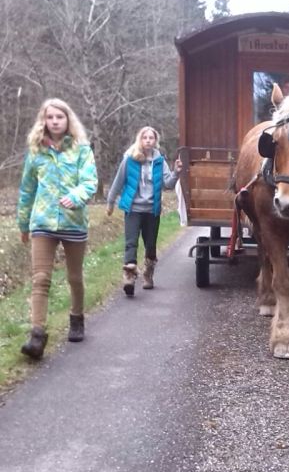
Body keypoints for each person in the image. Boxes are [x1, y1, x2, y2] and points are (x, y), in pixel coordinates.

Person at [17, 98, 98, 359]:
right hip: (42, 223)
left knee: (74, 277)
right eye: (50, 117)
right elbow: (27, 189)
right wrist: (23, 223)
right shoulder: (36, 152)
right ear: (44, 120)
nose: (55, 121)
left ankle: (76, 318)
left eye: (59, 117)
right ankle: (37, 335)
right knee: (40, 279)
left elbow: (90, 182)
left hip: (74, 223)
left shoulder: (82, 150)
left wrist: (75, 197)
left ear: (67, 120)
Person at [106, 126, 182, 296]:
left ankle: (148, 274)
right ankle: (129, 277)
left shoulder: (159, 161)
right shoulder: (130, 159)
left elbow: (168, 184)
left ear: (156, 141)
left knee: (150, 245)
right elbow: (118, 182)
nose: (148, 140)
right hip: (133, 208)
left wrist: (176, 172)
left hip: (151, 210)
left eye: (151, 138)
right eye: (145, 137)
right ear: (140, 140)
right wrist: (110, 202)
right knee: (130, 243)